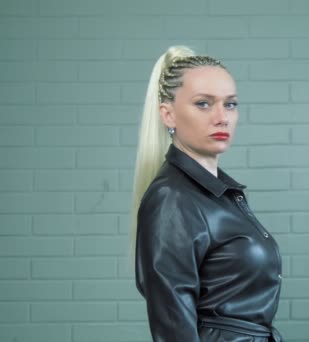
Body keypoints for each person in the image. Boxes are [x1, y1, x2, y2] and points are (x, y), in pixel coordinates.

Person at [129, 45, 283, 342]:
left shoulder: (220, 195)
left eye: (230, 104)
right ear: (168, 114)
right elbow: (174, 327)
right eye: (203, 104)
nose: (221, 117)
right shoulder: (172, 199)